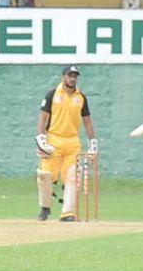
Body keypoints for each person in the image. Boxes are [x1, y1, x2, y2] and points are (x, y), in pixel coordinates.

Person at [34, 64, 98, 222]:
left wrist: (93, 144)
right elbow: (43, 118)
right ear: (64, 76)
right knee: (45, 176)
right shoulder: (52, 95)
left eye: (75, 76)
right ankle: (45, 208)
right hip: (53, 139)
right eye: (70, 75)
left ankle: (68, 213)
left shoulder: (81, 97)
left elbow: (87, 122)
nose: (72, 78)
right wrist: (41, 138)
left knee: (72, 178)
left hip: (72, 142)